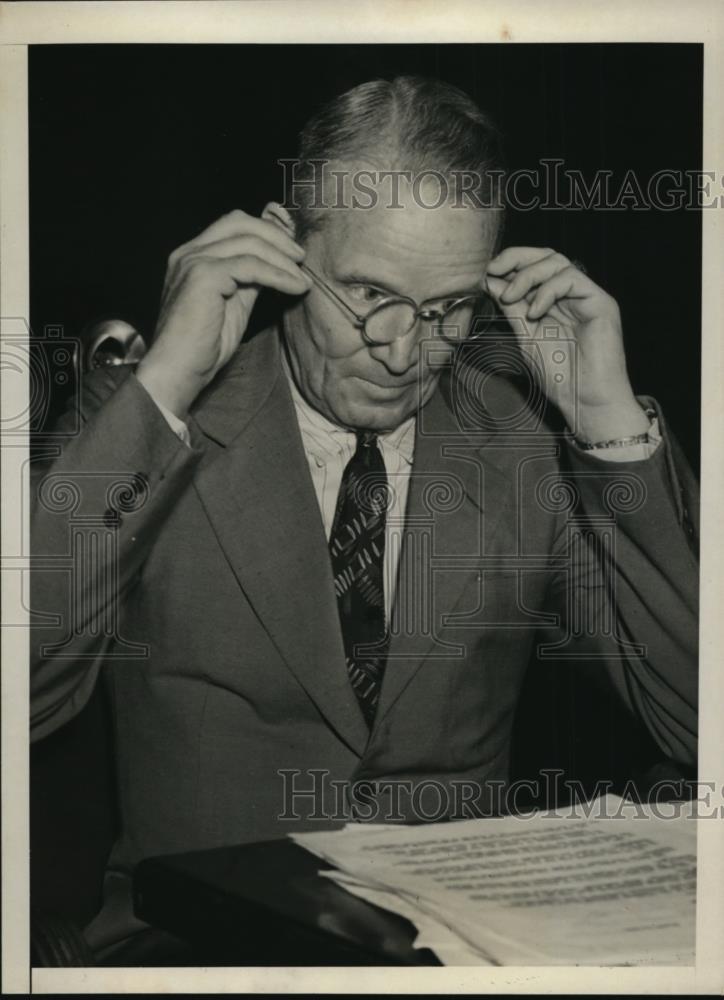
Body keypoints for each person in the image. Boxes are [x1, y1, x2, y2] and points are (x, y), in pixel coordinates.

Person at [30, 75, 698, 957]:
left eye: (448, 307)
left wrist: (609, 423)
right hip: (194, 949)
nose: (403, 349)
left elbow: (695, 724)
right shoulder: (142, 424)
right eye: (366, 293)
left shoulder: (522, 444)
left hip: (460, 958)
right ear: (279, 249)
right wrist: (167, 386)